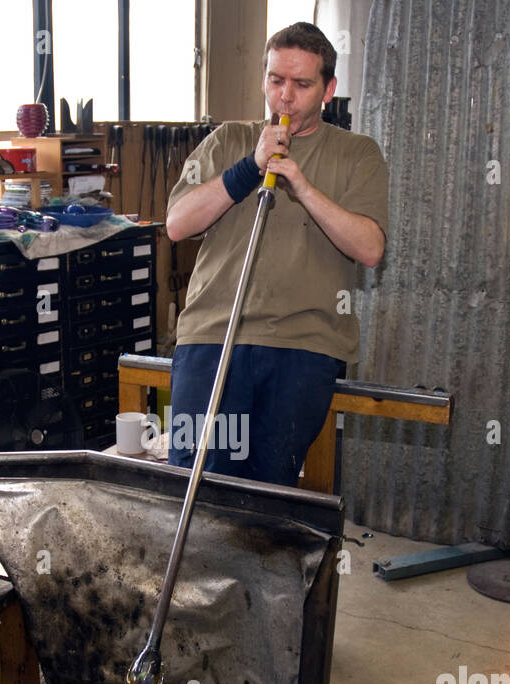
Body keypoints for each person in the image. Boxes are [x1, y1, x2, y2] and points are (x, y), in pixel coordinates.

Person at [164, 21, 389, 488]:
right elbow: (177, 224)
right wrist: (249, 168)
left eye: (302, 84)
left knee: (269, 491)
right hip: (213, 335)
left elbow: (369, 249)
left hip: (303, 344)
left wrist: (302, 187)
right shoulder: (228, 139)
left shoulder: (358, 154)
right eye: (275, 80)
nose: (285, 97)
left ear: (328, 90)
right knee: (201, 485)